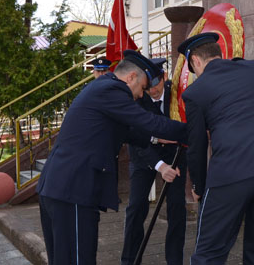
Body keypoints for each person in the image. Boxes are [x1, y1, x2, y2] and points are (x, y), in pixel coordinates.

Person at [36, 50, 186, 265]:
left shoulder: (102, 88)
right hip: (73, 191)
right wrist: (192, 131)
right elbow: (148, 121)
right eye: (142, 88)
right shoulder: (112, 89)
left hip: (60, 188)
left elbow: (125, 132)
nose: (141, 95)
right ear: (131, 77)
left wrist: (157, 140)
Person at [179, 33, 254, 264]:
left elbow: (197, 146)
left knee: (209, 252)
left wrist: (198, 187)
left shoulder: (195, 92)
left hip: (233, 174)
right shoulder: (253, 69)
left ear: (196, 62)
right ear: (219, 54)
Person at [121, 58, 186, 265]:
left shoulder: (178, 95)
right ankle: (130, 260)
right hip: (144, 155)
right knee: (136, 207)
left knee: (176, 208)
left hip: (174, 156)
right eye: (148, 87)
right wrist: (159, 165)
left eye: (156, 84)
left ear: (164, 78)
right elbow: (136, 138)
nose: (152, 91)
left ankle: (174, 260)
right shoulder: (137, 98)